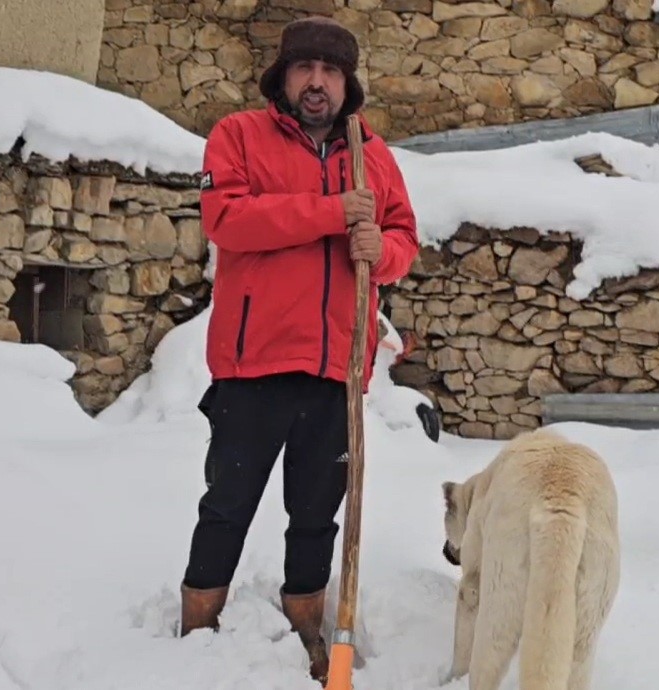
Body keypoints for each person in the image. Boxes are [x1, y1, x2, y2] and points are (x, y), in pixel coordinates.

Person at [177, 15, 420, 684]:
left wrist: (385, 251)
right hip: (253, 362)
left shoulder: (375, 156)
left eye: (331, 71)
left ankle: (306, 615)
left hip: (335, 368)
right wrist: (333, 210)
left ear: (348, 83)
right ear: (282, 78)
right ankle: (198, 616)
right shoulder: (238, 137)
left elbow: (401, 236)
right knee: (227, 503)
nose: (317, 82)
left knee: (316, 512)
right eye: (305, 69)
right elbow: (227, 220)